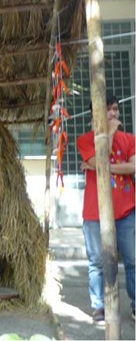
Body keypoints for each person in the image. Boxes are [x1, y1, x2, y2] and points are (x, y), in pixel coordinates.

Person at [77, 95, 135, 323]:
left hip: (126, 211)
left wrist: (98, 166)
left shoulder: (129, 139)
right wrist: (109, 134)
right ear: (95, 114)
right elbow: (101, 160)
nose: (113, 113)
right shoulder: (85, 140)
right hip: (95, 213)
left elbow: (133, 167)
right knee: (96, 262)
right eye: (108, 109)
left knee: (133, 260)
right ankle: (99, 306)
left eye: (115, 109)